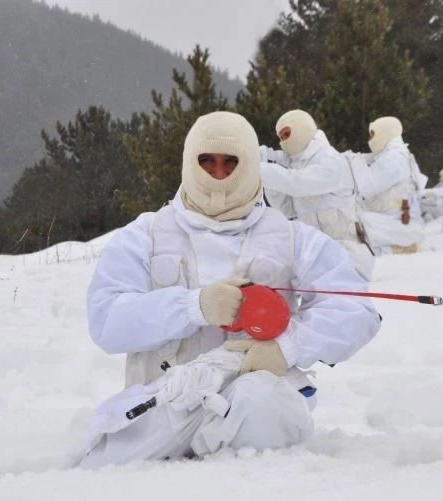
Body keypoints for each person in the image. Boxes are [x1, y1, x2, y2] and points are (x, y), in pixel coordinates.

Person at [79, 111, 381, 468]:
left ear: (251, 165)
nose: (219, 175)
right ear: (189, 163)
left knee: (259, 403)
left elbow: (357, 311)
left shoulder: (292, 238)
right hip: (163, 404)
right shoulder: (144, 235)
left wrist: (288, 347)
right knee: (90, 455)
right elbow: (106, 319)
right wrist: (195, 307)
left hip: (256, 415)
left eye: (230, 163)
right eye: (206, 162)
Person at [259, 109, 374, 281]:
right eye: (280, 138)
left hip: (347, 259)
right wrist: (266, 164)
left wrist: (257, 168)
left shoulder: (333, 162)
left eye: (286, 134)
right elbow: (287, 210)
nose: (283, 142)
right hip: (315, 258)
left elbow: (297, 183)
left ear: (301, 129)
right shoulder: (299, 166)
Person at [352, 116, 426, 255]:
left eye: (372, 135)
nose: (369, 141)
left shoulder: (394, 159)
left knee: (352, 224)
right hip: (397, 223)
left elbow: (366, 187)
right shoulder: (394, 155)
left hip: (399, 224)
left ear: (384, 133)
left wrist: (354, 164)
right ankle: (399, 248)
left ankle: (401, 248)